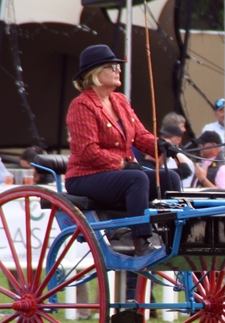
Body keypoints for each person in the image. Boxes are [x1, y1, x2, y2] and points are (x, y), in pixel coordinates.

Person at [65, 44, 162, 257]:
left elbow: (140, 135)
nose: (118, 70)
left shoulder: (120, 100)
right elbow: (88, 150)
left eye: (118, 66)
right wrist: (122, 164)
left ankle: (169, 238)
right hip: (86, 176)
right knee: (137, 178)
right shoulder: (81, 105)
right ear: (94, 74)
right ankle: (141, 242)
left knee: (169, 179)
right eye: (112, 67)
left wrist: (161, 146)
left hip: (118, 175)